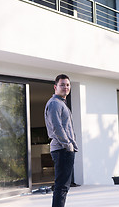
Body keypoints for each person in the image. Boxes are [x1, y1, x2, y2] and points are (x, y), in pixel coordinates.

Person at [45, 74, 78, 207]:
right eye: (62, 84)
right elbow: (57, 127)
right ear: (55, 87)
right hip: (62, 149)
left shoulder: (61, 103)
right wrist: (68, 145)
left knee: (63, 187)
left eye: (68, 85)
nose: (65, 87)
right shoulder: (54, 103)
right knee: (61, 187)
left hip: (63, 149)